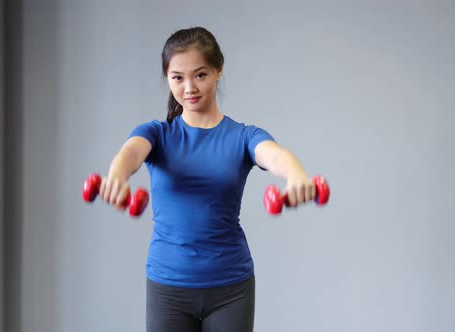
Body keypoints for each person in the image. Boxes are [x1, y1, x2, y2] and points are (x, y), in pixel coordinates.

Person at [98, 27, 316, 332]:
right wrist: (116, 177)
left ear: (218, 70)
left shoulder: (242, 136)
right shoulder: (157, 134)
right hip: (168, 287)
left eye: (200, 74)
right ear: (168, 78)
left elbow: (275, 155)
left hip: (231, 288)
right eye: (178, 77)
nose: (189, 87)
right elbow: (130, 153)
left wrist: (296, 176)